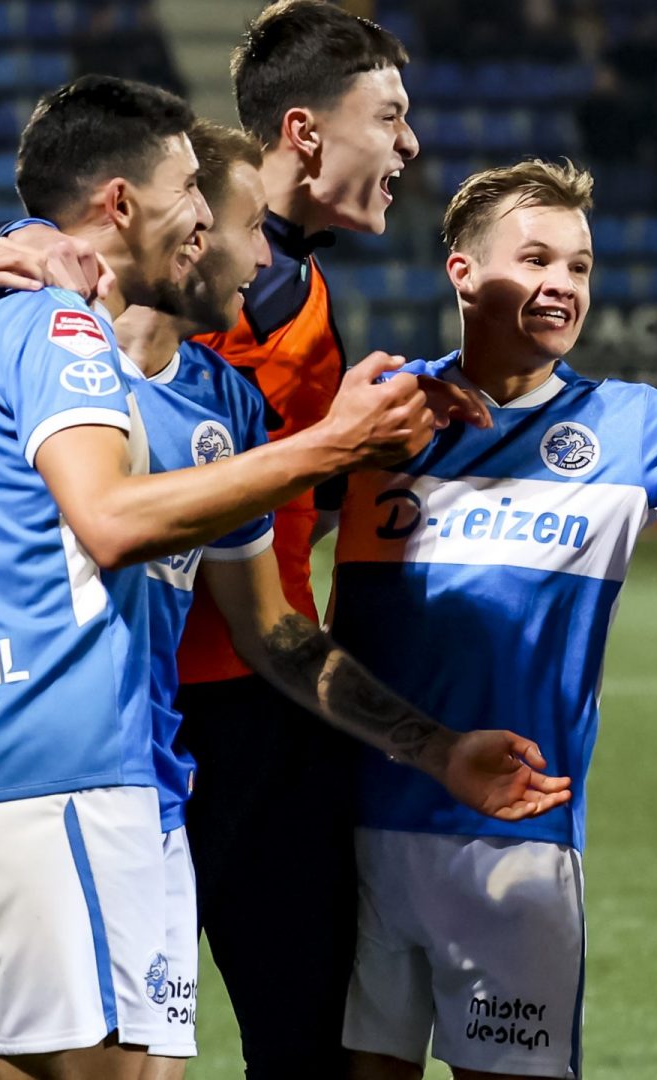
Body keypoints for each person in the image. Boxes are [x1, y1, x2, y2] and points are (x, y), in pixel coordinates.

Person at [0, 113, 564, 1080]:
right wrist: (330, 445)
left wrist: (432, 747)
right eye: (244, 224)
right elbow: (100, 522)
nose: (258, 255)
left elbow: (274, 632)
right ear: (184, 225)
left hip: (116, 782)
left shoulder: (222, 406)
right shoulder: (28, 331)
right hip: (56, 774)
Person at [332, 158, 657, 1080]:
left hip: (518, 841)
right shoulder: (380, 411)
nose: (561, 286)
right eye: (536, 259)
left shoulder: (630, 426)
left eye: (578, 266)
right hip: (350, 830)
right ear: (462, 271)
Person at [172, 7, 438, 1073]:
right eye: (391, 116)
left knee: (320, 1044)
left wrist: (386, 438)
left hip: (277, 706)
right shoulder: (167, 279)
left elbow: (293, 510)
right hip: (162, 716)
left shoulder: (308, 296)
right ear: (306, 132)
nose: (410, 144)